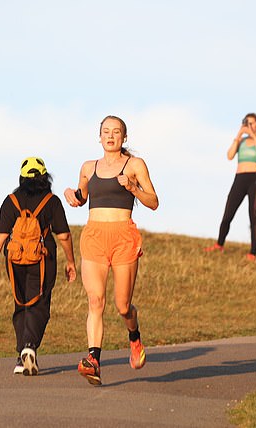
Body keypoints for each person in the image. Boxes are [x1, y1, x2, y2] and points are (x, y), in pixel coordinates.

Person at [64, 115, 159, 386]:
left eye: (116, 132)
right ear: (99, 136)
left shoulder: (134, 165)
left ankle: (134, 337)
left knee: (122, 306)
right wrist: (73, 196)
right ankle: (93, 360)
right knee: (95, 301)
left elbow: (153, 201)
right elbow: (82, 197)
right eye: (106, 131)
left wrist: (132, 187)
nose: (111, 136)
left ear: (124, 137)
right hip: (94, 235)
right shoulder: (88, 167)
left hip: (123, 237)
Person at [0, 157, 77, 375]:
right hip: (43, 258)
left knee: (22, 304)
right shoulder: (52, 201)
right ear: (45, 177)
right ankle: (29, 346)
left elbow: (1, 233)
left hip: (14, 259)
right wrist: (71, 262)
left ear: (22, 178)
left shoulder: (11, 200)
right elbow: (64, 235)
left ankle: (21, 357)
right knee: (39, 303)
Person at [205, 113, 256, 261]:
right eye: (247, 123)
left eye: (252, 123)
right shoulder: (240, 142)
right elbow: (229, 155)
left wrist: (253, 135)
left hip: (255, 180)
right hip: (239, 179)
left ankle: (253, 253)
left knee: (253, 216)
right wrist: (239, 135)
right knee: (228, 213)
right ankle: (219, 244)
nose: (250, 126)